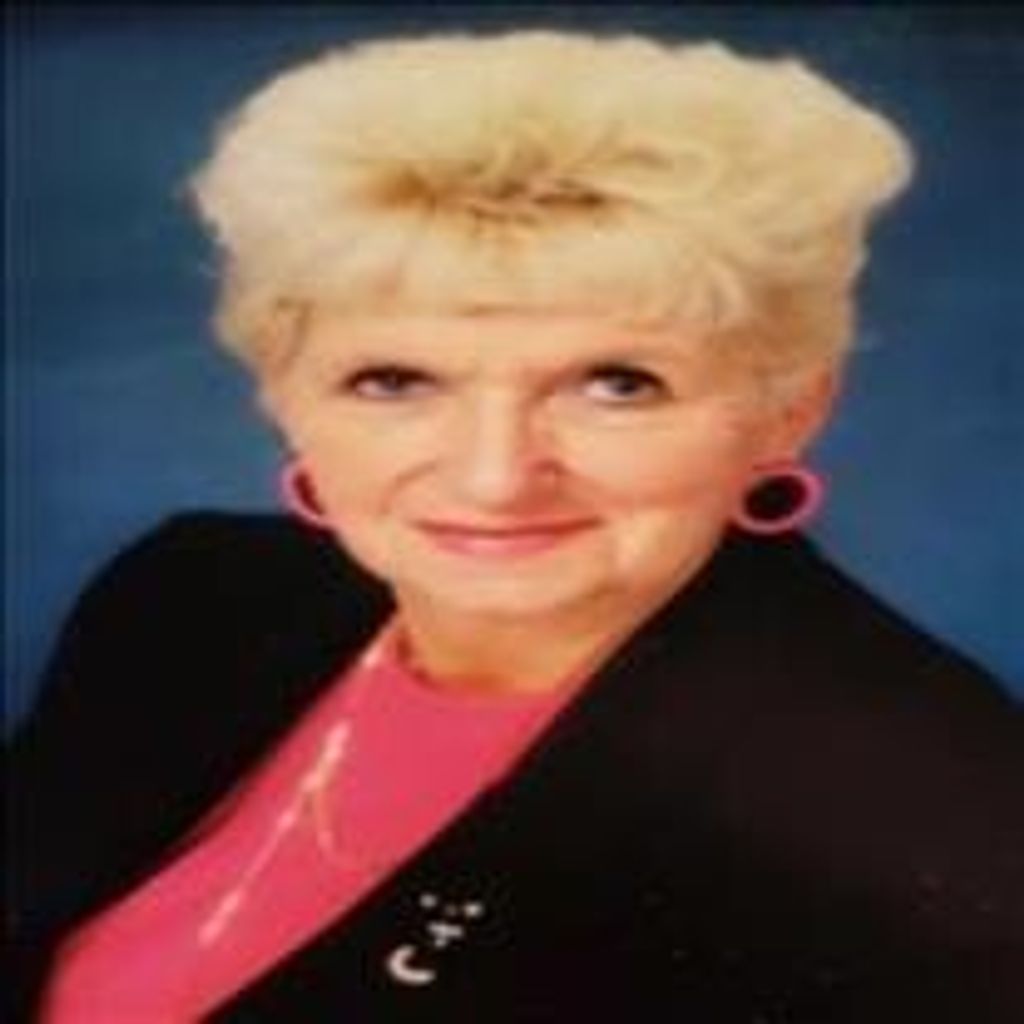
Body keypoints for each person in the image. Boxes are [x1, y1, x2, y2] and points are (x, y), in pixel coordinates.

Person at [9, 28, 1023, 1023]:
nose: (494, 478)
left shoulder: (932, 805)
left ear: (790, 406)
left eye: (617, 384)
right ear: (284, 392)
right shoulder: (188, 596)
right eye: (394, 380)